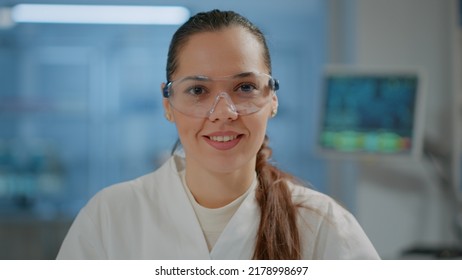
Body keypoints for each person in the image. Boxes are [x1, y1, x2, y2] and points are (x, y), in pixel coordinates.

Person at [57, 9, 380, 260]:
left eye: (245, 88)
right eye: (198, 90)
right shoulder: (110, 217)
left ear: (273, 99)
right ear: (168, 103)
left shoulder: (323, 225)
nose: (223, 112)